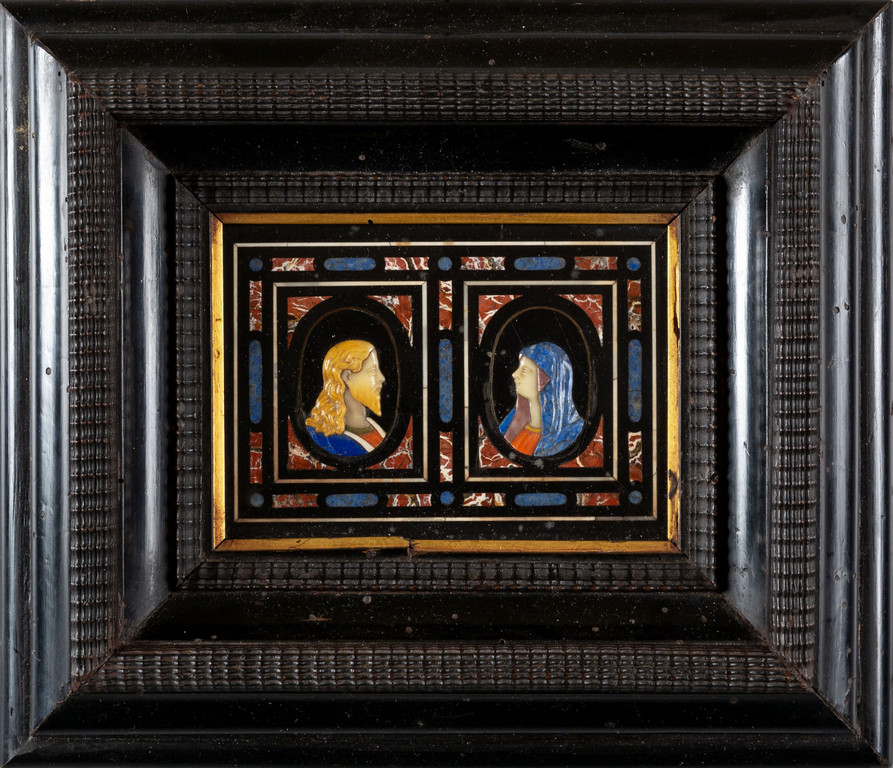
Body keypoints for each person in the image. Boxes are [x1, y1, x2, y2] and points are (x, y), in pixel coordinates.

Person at [499, 342, 583, 457]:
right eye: (519, 368)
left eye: (524, 371)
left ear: (546, 380)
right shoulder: (509, 428)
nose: (515, 374)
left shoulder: (571, 434)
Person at [305, 339, 386, 456]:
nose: (381, 378)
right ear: (347, 377)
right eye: (372, 371)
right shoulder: (321, 436)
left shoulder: (376, 428)